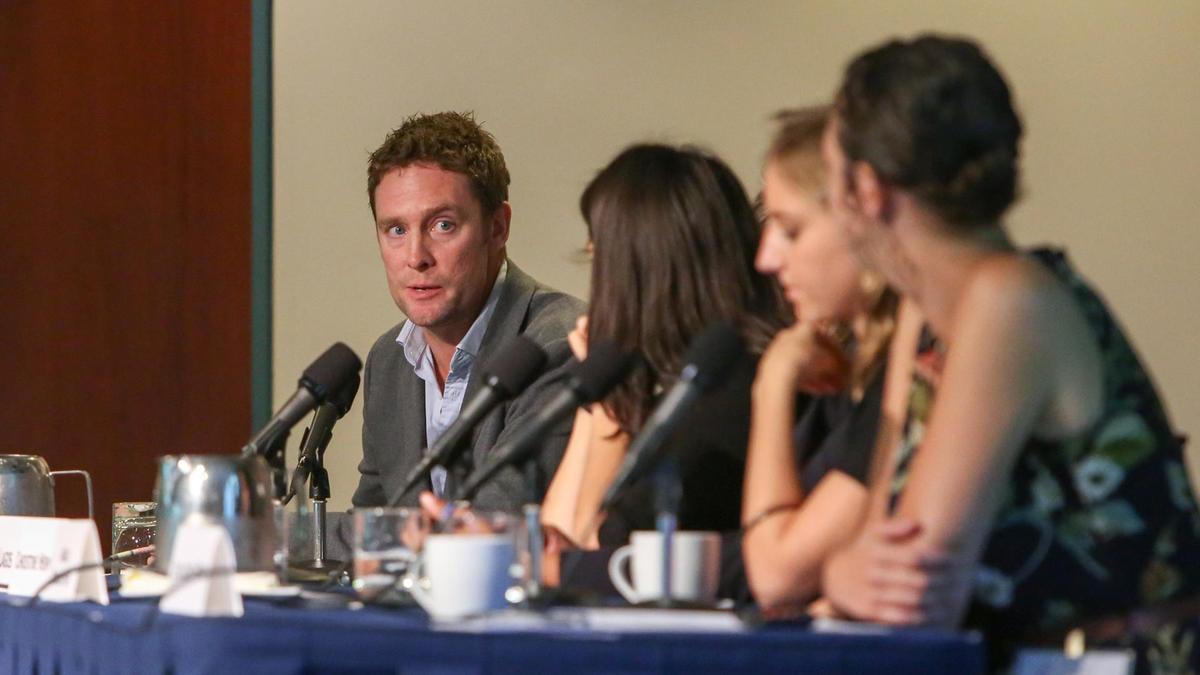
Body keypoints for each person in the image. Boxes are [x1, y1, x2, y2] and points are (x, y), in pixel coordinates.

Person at [819, 35, 1200, 669]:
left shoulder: (1010, 299)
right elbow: (876, 551)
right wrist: (840, 572)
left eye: (830, 181)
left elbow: (908, 593)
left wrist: (841, 575)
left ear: (868, 189)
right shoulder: (926, 313)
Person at [539, 143, 791, 552]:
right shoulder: (673, 384)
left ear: (637, 270)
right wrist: (601, 397)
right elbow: (554, 539)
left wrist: (608, 408)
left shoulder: (729, 393)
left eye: (599, 260)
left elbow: (588, 551)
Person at [352, 111, 585, 513]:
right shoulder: (388, 360)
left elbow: (496, 520)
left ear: (497, 228)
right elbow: (369, 527)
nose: (416, 257)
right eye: (396, 230)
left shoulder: (557, 344)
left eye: (442, 225)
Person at [740, 107, 896, 611]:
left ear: (860, 216)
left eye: (790, 229)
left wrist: (773, 382)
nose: (766, 258)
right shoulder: (856, 362)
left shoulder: (918, 360)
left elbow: (776, 572)